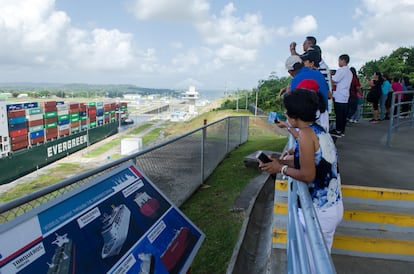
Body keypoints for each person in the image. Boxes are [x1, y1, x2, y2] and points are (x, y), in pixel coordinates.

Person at [259, 89, 343, 256]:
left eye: (287, 112)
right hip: (331, 206)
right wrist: (279, 161)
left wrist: (280, 169)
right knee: (319, 259)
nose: (285, 114)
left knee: (313, 264)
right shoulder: (317, 130)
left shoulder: (305, 135)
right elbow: (311, 162)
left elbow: (307, 174)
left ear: (295, 116)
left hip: (320, 210)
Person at [330, 54, 352, 137]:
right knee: (343, 114)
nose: (338, 62)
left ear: (343, 60)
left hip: (339, 95)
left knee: (339, 114)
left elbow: (334, 80)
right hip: (345, 95)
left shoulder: (341, 70)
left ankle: (338, 130)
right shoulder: (349, 72)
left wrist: (329, 75)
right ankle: (342, 130)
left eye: (339, 60)